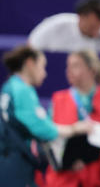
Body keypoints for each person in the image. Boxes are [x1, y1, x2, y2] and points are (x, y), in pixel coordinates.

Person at [1, 46, 94, 186]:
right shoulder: (22, 90)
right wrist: (75, 129)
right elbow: (43, 129)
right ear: (30, 63)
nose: (44, 74)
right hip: (14, 163)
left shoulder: (10, 86)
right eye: (42, 67)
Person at [46, 50, 100, 187]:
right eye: (68, 66)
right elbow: (48, 135)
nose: (69, 71)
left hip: (97, 176)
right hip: (63, 178)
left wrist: (93, 146)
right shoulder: (57, 99)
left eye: (76, 66)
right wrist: (69, 157)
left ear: (91, 70)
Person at [28, 0, 100, 54]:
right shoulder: (55, 26)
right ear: (81, 17)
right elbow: (31, 48)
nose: (97, 32)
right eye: (93, 27)